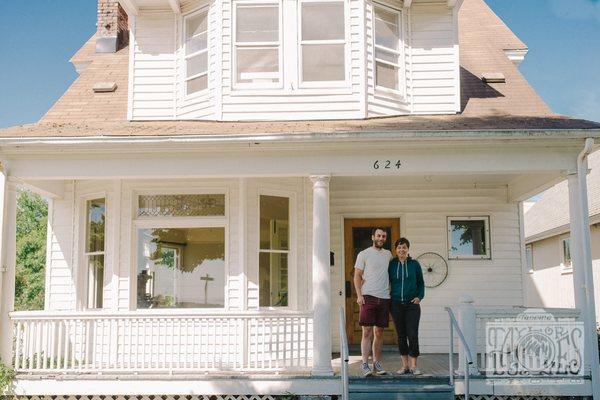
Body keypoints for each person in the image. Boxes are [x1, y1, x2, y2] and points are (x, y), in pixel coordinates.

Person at [354, 227, 393, 377]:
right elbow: (357, 276)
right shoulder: (363, 254)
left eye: (384, 236)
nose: (381, 238)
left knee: (379, 332)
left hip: (384, 297)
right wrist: (359, 295)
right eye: (379, 235)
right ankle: (364, 364)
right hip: (368, 296)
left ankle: (376, 362)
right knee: (367, 332)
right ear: (373, 237)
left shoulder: (388, 254)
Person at [389, 237, 425, 375]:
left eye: (404, 247)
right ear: (396, 250)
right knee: (401, 335)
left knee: (413, 335)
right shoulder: (391, 264)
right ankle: (405, 366)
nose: (401, 250)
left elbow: (421, 283)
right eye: (399, 247)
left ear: (408, 249)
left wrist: (419, 297)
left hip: (412, 304)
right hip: (396, 303)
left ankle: (414, 366)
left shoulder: (414, 264)